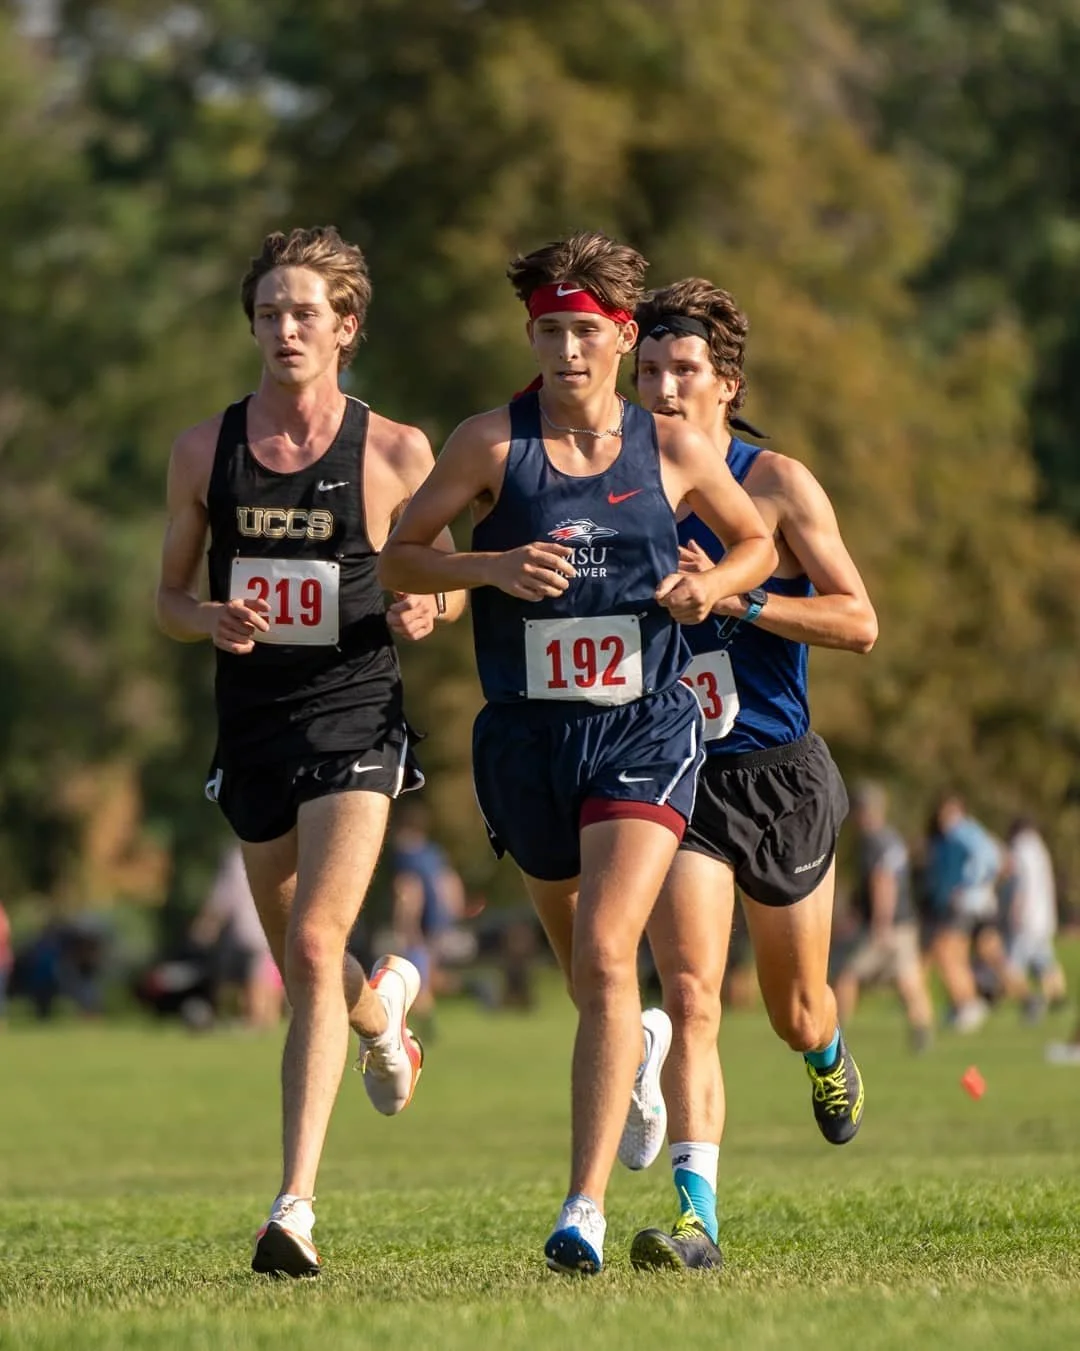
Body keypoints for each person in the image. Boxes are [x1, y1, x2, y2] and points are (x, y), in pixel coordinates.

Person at [378, 231, 777, 1275]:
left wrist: (713, 588)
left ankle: (583, 1210)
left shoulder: (674, 448)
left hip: (643, 727)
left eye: (584, 334)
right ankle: (633, 1050)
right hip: (527, 737)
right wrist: (494, 564)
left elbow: (756, 542)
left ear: (622, 336)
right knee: (587, 976)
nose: (565, 353)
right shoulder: (487, 445)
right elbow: (400, 554)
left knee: (608, 951)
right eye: (549, 332)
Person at [156, 225, 465, 1278]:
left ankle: (293, 1206)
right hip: (252, 723)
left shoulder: (395, 451)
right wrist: (209, 619)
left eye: (305, 313)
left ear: (346, 327)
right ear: (250, 325)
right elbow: (166, 598)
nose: (285, 329)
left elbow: (450, 580)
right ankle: (386, 1017)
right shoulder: (206, 450)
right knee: (311, 968)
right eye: (268, 313)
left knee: (311, 936)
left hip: (356, 716)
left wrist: (431, 608)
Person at [628, 278, 877, 1271]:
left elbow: (858, 621)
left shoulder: (776, 484)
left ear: (725, 383)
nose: (662, 390)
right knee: (692, 993)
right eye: (646, 372)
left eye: (682, 371)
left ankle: (825, 1051)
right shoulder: (609, 478)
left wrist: (739, 603)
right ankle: (697, 1218)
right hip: (671, 774)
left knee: (791, 1006)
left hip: (776, 774)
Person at [835, 782, 934, 1052]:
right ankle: (922, 1033)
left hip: (887, 923)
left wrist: (881, 922)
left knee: (847, 975)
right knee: (909, 981)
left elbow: (883, 881)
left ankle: (836, 1038)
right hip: (905, 921)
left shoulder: (872, 841)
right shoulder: (892, 838)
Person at [387, 798, 475, 1039]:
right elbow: (450, 881)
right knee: (428, 972)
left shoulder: (406, 856)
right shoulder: (433, 852)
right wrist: (453, 911)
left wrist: (405, 923)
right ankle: (475, 988)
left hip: (421, 922)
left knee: (417, 977)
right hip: (439, 919)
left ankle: (423, 1029)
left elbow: (409, 890)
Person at [923, 792, 1005, 1030]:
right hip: (968, 904)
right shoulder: (960, 832)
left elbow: (988, 857)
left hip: (964, 905)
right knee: (958, 955)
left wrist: (969, 883)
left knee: (946, 953)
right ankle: (966, 1004)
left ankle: (968, 1005)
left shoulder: (960, 831)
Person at [190, 843, 286, 1030]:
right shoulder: (271, 848)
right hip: (260, 930)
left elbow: (223, 896)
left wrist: (207, 924)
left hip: (253, 931)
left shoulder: (238, 856)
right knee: (259, 982)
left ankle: (258, 1024)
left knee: (256, 982)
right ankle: (261, 1025)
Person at [1003, 817, 1066, 1013]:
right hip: (1044, 916)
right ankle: (1058, 999)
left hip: (1028, 916)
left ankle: (1029, 1000)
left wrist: (1015, 909)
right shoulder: (1040, 849)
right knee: (1044, 960)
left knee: (1010, 966)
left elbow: (1021, 884)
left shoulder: (1020, 849)